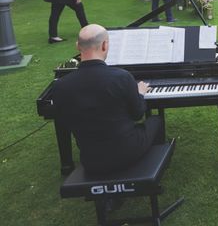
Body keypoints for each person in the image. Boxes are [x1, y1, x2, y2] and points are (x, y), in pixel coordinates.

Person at [51, 24, 161, 174]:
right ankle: (149, 166)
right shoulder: (122, 77)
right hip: (127, 153)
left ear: (78, 46)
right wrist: (140, 93)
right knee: (155, 120)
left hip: (90, 160)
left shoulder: (60, 86)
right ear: (104, 45)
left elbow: (64, 119)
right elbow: (138, 114)